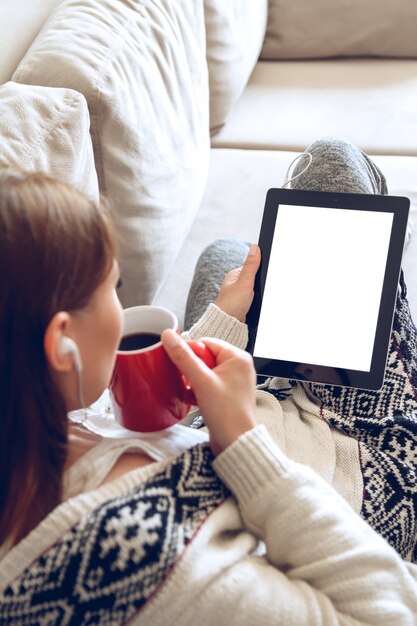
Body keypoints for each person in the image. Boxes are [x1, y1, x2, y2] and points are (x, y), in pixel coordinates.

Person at [0, 146, 416, 625]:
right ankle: (388, 266)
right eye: (113, 288)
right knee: (333, 169)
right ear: (61, 343)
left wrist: (222, 321)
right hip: (355, 473)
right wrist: (244, 440)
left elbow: (137, 426)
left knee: (226, 257)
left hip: (234, 416)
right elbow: (392, 612)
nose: (119, 306)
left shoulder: (35, 422)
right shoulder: (143, 562)